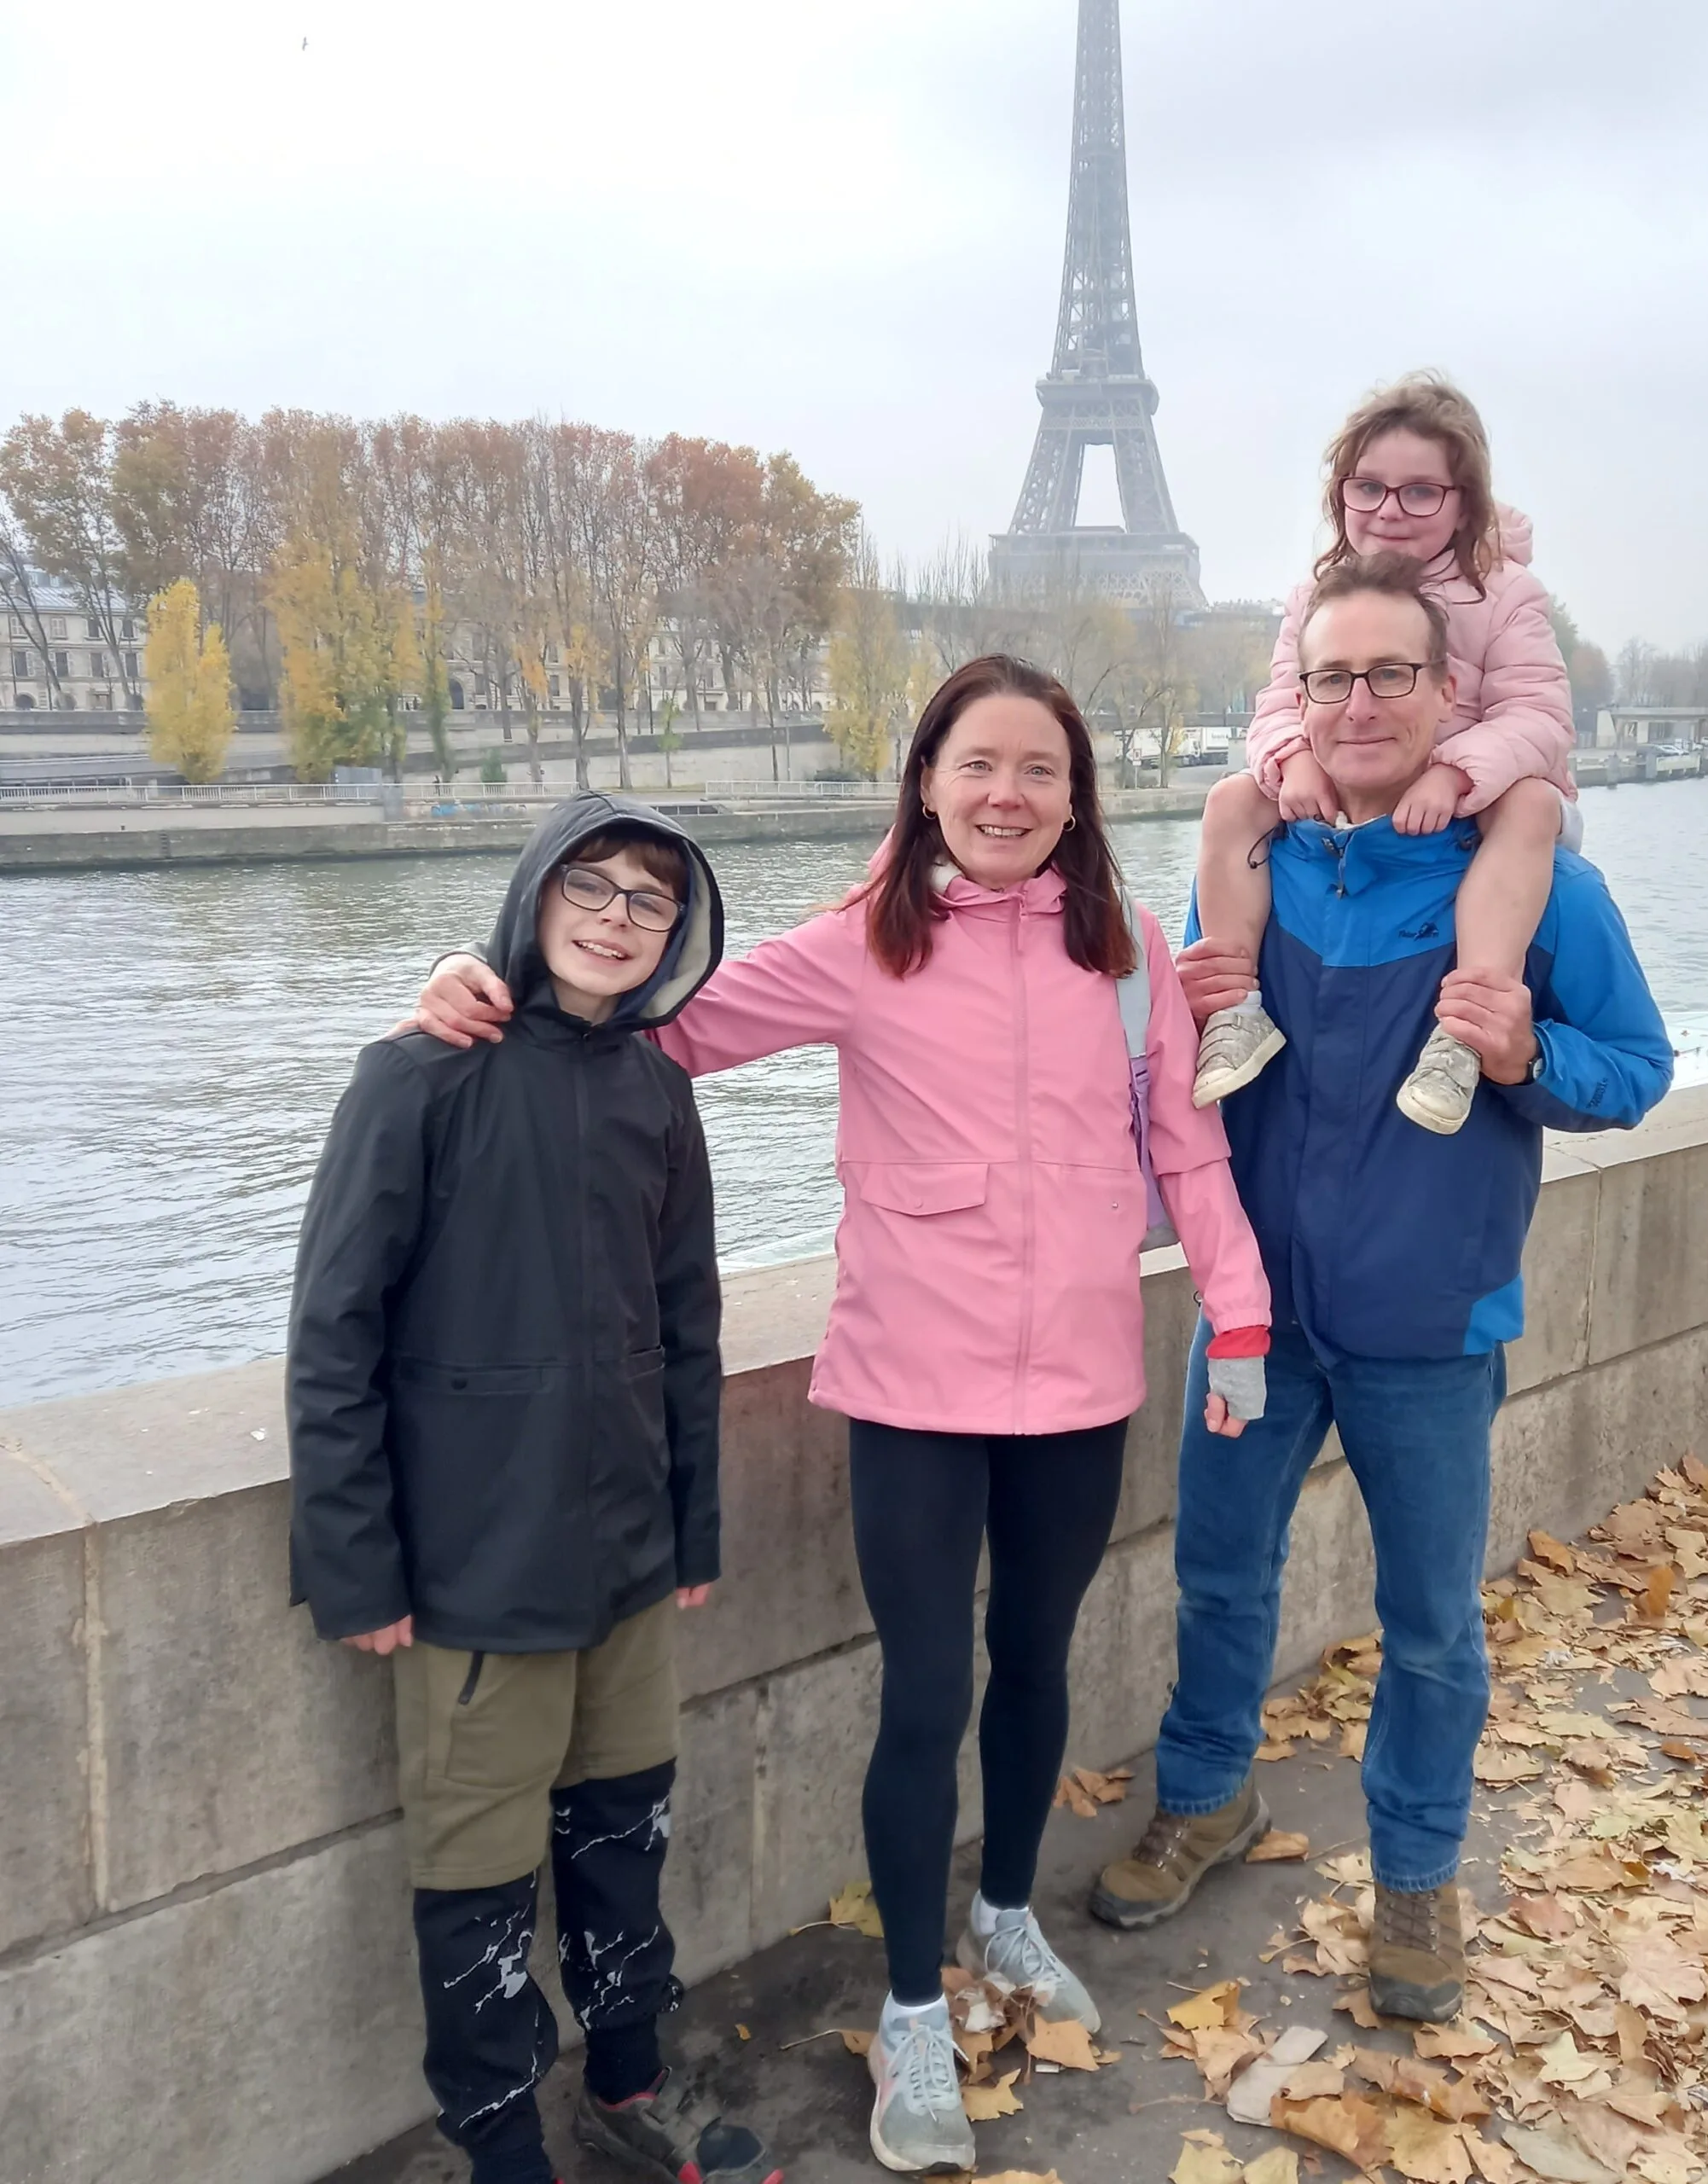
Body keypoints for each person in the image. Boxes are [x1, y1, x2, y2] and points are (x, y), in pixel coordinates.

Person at [410, 657, 1273, 2176]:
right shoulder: (863, 943)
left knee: (1039, 1670)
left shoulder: (1129, 949)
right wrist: (481, 990)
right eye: (977, 766)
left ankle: (1006, 1915)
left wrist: (1241, 1311)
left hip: (1081, 1379)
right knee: (926, 1695)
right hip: (912, 1389)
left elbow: (1186, 1147)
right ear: (928, 782)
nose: (1007, 795)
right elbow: (658, 1019)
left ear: (1077, 798)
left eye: (1039, 772)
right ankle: (909, 2011)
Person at [1090, 556, 1673, 2024]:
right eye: (1330, 677)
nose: (1359, 703)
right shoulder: (1253, 868)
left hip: (1426, 1325)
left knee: (1430, 1625)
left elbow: (1639, 1073)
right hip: (1256, 1318)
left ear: (1448, 695)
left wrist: (1528, 1056)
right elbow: (1167, 1084)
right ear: (1297, 699)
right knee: (1221, 1578)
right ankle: (1206, 1797)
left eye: (1390, 675)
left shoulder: (1541, 888)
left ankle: (1417, 1877)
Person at [288, 795, 780, 2184]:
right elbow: (335, 1334)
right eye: (594, 884)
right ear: (536, 892)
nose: (621, 917)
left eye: (651, 900)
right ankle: (503, 2148)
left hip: (627, 1557)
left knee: (626, 1838)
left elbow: (687, 1325)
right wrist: (356, 1563)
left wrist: (692, 1524)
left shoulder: (657, 1089)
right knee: (479, 1883)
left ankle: (627, 2086)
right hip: (469, 1572)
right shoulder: (419, 1075)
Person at [1190, 372, 1578, 1138]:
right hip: (1352, 791)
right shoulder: (1312, 597)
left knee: (1533, 802)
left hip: (1487, 796)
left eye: (1419, 492)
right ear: (1340, 497)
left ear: (1463, 500)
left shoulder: (1505, 591)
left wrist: (1454, 770)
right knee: (1233, 800)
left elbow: (1538, 714)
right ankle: (1235, 1007)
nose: (1390, 511)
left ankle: (1469, 1024)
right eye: (1367, 488)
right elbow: (1279, 701)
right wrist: (1292, 760)